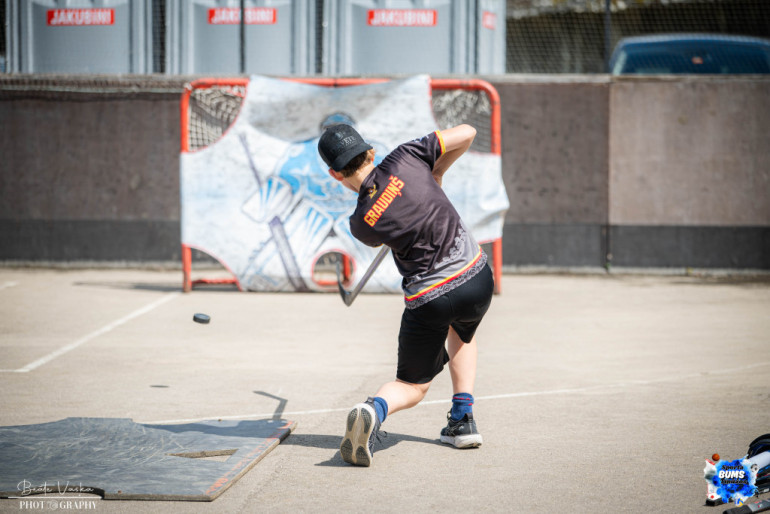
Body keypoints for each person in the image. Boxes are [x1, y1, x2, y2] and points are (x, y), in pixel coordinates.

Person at [318, 123, 495, 467]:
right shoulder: (407, 156)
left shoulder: (361, 222)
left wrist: (431, 176)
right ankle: (463, 420)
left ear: (335, 174)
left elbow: (388, 227)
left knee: (412, 386)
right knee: (464, 331)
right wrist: (436, 169)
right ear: (371, 152)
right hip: (475, 279)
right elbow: (468, 132)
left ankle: (374, 409)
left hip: (429, 299)